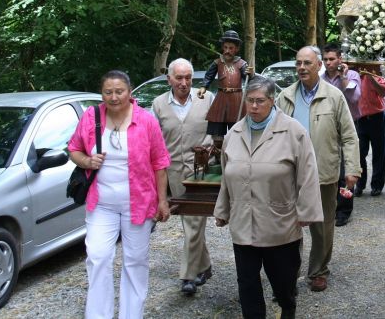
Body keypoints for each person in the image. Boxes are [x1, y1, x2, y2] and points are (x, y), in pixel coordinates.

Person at [214, 77, 323, 319]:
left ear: (272, 101)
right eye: (250, 101)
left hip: (279, 223)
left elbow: (308, 174)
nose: (253, 106)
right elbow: (226, 175)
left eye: (259, 101)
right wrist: (222, 210)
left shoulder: (293, 131)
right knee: (247, 283)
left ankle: (288, 306)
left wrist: (307, 212)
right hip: (243, 223)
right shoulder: (235, 133)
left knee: (283, 282)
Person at [68, 70, 171, 319]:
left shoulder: (146, 120)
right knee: (98, 256)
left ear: (129, 92)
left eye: (119, 91)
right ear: (102, 93)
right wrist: (88, 161)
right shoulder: (91, 117)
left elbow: (160, 162)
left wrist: (163, 200)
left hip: (138, 204)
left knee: (135, 261)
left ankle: (131, 314)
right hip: (101, 204)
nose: (113, 97)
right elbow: (74, 149)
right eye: (108, 92)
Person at [276, 46, 360, 292]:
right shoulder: (285, 96)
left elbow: (349, 136)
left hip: (324, 172)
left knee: (322, 226)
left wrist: (352, 169)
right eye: (298, 63)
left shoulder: (334, 96)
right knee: (288, 225)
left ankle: (319, 271)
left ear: (319, 66)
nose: (302, 67)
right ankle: (289, 272)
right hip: (290, 172)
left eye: (307, 63)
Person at [152, 58, 213, 295]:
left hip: (202, 171)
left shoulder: (206, 98)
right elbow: (154, 143)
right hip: (174, 171)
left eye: (188, 77)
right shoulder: (158, 105)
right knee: (190, 219)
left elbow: (218, 130)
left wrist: (209, 151)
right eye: (179, 77)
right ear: (169, 79)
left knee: (194, 220)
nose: (184, 82)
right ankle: (205, 266)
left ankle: (188, 274)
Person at [321, 43, 361, 227]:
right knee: (329, 167)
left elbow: (354, 98)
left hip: (349, 126)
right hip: (328, 128)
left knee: (347, 170)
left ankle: (344, 210)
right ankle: (328, 205)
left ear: (340, 59)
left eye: (331, 59)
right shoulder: (320, 79)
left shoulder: (352, 75)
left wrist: (344, 78)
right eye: (325, 59)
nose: (328, 63)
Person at [197, 30, 254, 141]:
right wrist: (203, 87)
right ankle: (218, 153)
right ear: (223, 47)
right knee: (217, 132)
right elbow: (209, 76)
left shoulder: (241, 64)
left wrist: (250, 74)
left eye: (231, 48)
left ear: (236, 49)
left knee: (238, 132)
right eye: (226, 47)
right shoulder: (217, 62)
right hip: (221, 98)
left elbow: (249, 79)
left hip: (237, 100)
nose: (227, 51)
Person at [354, 69, 385, 197]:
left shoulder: (377, 75)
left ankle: (377, 186)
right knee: (360, 154)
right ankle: (360, 185)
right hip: (360, 119)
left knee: (379, 154)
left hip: (376, 118)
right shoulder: (354, 76)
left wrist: (370, 76)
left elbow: (383, 92)